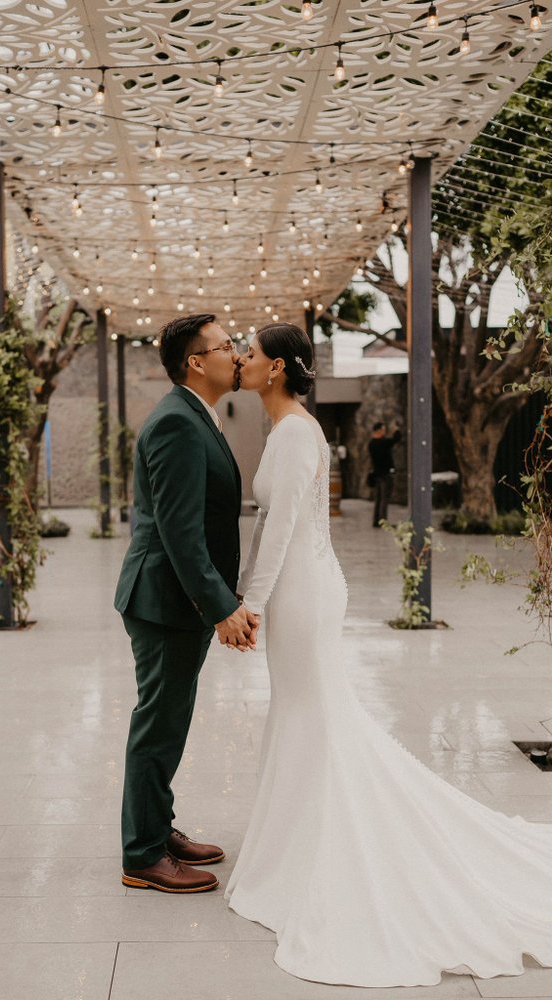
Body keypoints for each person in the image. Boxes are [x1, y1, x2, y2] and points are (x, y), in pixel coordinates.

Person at [226, 320, 552, 988]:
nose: (240, 360)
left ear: (277, 367)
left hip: (301, 594)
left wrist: (250, 602)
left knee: (313, 715)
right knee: (302, 713)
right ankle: (295, 839)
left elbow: (282, 526)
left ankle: (319, 847)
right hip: (297, 588)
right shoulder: (287, 428)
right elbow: (271, 524)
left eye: (249, 353)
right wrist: (248, 590)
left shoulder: (294, 433)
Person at [115, 313, 260, 894]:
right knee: (159, 723)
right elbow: (180, 531)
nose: (238, 354)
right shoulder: (177, 421)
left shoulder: (196, 414)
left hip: (176, 597)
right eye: (227, 346)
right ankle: (143, 855)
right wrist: (220, 606)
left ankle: (158, 828)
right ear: (197, 362)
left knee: (169, 720)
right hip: (164, 598)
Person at [368, 420, 401, 527]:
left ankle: (376, 521)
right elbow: (396, 438)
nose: (384, 432)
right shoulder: (383, 443)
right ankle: (383, 522)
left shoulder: (371, 444)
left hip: (377, 474)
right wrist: (396, 429)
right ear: (378, 430)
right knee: (384, 498)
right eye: (383, 430)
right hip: (386, 474)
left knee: (378, 498)